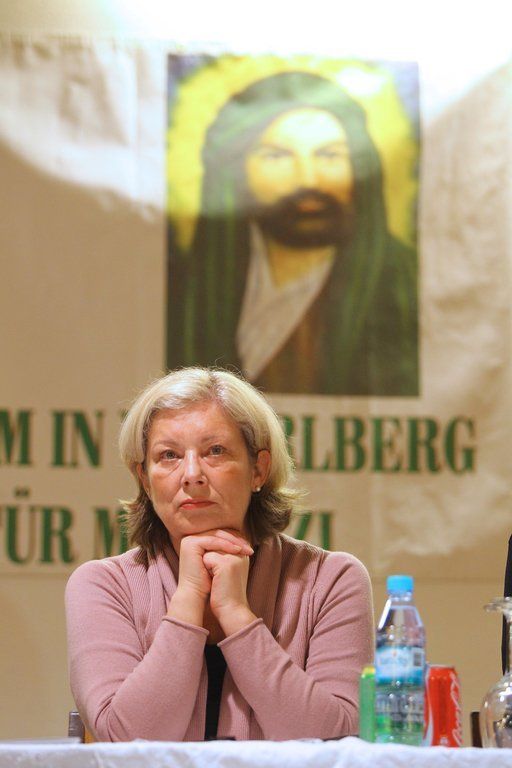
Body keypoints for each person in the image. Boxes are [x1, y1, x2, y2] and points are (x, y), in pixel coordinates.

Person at [66, 367, 374, 741]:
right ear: (144, 479)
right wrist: (188, 599)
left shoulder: (332, 580)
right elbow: (125, 741)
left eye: (215, 451)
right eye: (168, 455)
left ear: (258, 469)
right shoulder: (103, 585)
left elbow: (334, 740)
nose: (191, 474)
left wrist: (236, 614)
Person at [167, 71, 418, 396]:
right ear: (237, 170)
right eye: (278, 156)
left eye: (329, 155)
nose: (308, 179)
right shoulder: (185, 288)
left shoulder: (402, 282)